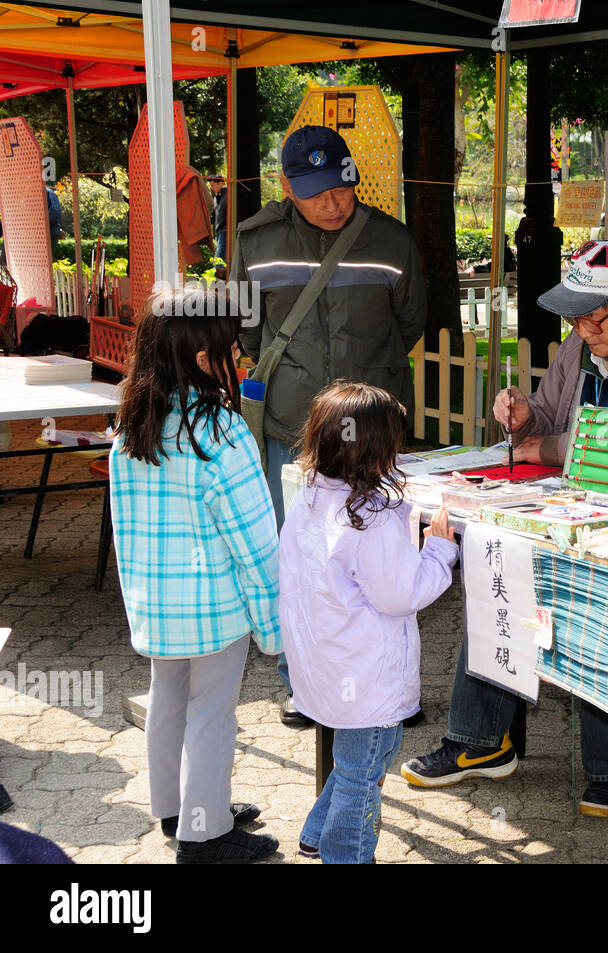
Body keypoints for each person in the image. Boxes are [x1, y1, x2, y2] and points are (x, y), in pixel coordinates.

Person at [401, 241, 608, 816]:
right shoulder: (584, 342)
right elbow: (550, 416)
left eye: (592, 316)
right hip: (581, 502)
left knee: (598, 583)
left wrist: (543, 446)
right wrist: (525, 414)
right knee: (496, 555)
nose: (581, 329)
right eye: (574, 316)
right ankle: (482, 740)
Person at [233, 124, 427, 728]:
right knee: (301, 556)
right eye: (315, 193)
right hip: (292, 431)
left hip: (371, 435)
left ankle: (387, 687)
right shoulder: (255, 244)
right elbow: (243, 329)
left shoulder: (392, 243)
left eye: (340, 188)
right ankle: (305, 685)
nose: (332, 203)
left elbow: (412, 322)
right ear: (287, 186)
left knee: (384, 555)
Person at [109, 285, 281, 864]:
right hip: (214, 608)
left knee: (169, 701)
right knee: (212, 714)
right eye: (234, 349)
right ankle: (203, 834)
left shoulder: (130, 428)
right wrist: (274, 626)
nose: (241, 359)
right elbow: (256, 543)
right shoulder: (222, 432)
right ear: (206, 359)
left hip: (155, 604)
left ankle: (178, 808)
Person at [280, 381, 459, 864]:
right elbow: (402, 595)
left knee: (356, 761)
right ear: (378, 450)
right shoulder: (371, 515)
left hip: (326, 667)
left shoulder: (310, 497)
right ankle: (346, 854)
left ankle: (317, 833)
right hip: (366, 677)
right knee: (364, 772)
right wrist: (440, 549)